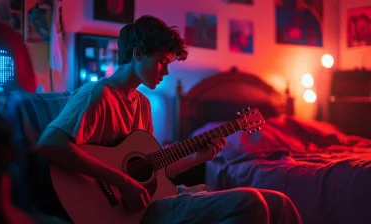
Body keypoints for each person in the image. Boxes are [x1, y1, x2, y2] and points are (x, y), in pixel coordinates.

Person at [35, 15, 303, 224]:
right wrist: (122, 182)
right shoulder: (98, 94)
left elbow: (155, 172)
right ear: (137, 54)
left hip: (155, 199)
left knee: (280, 202)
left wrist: (199, 157)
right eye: (162, 62)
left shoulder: (142, 104)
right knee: (252, 202)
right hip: (131, 211)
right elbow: (50, 144)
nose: (166, 71)